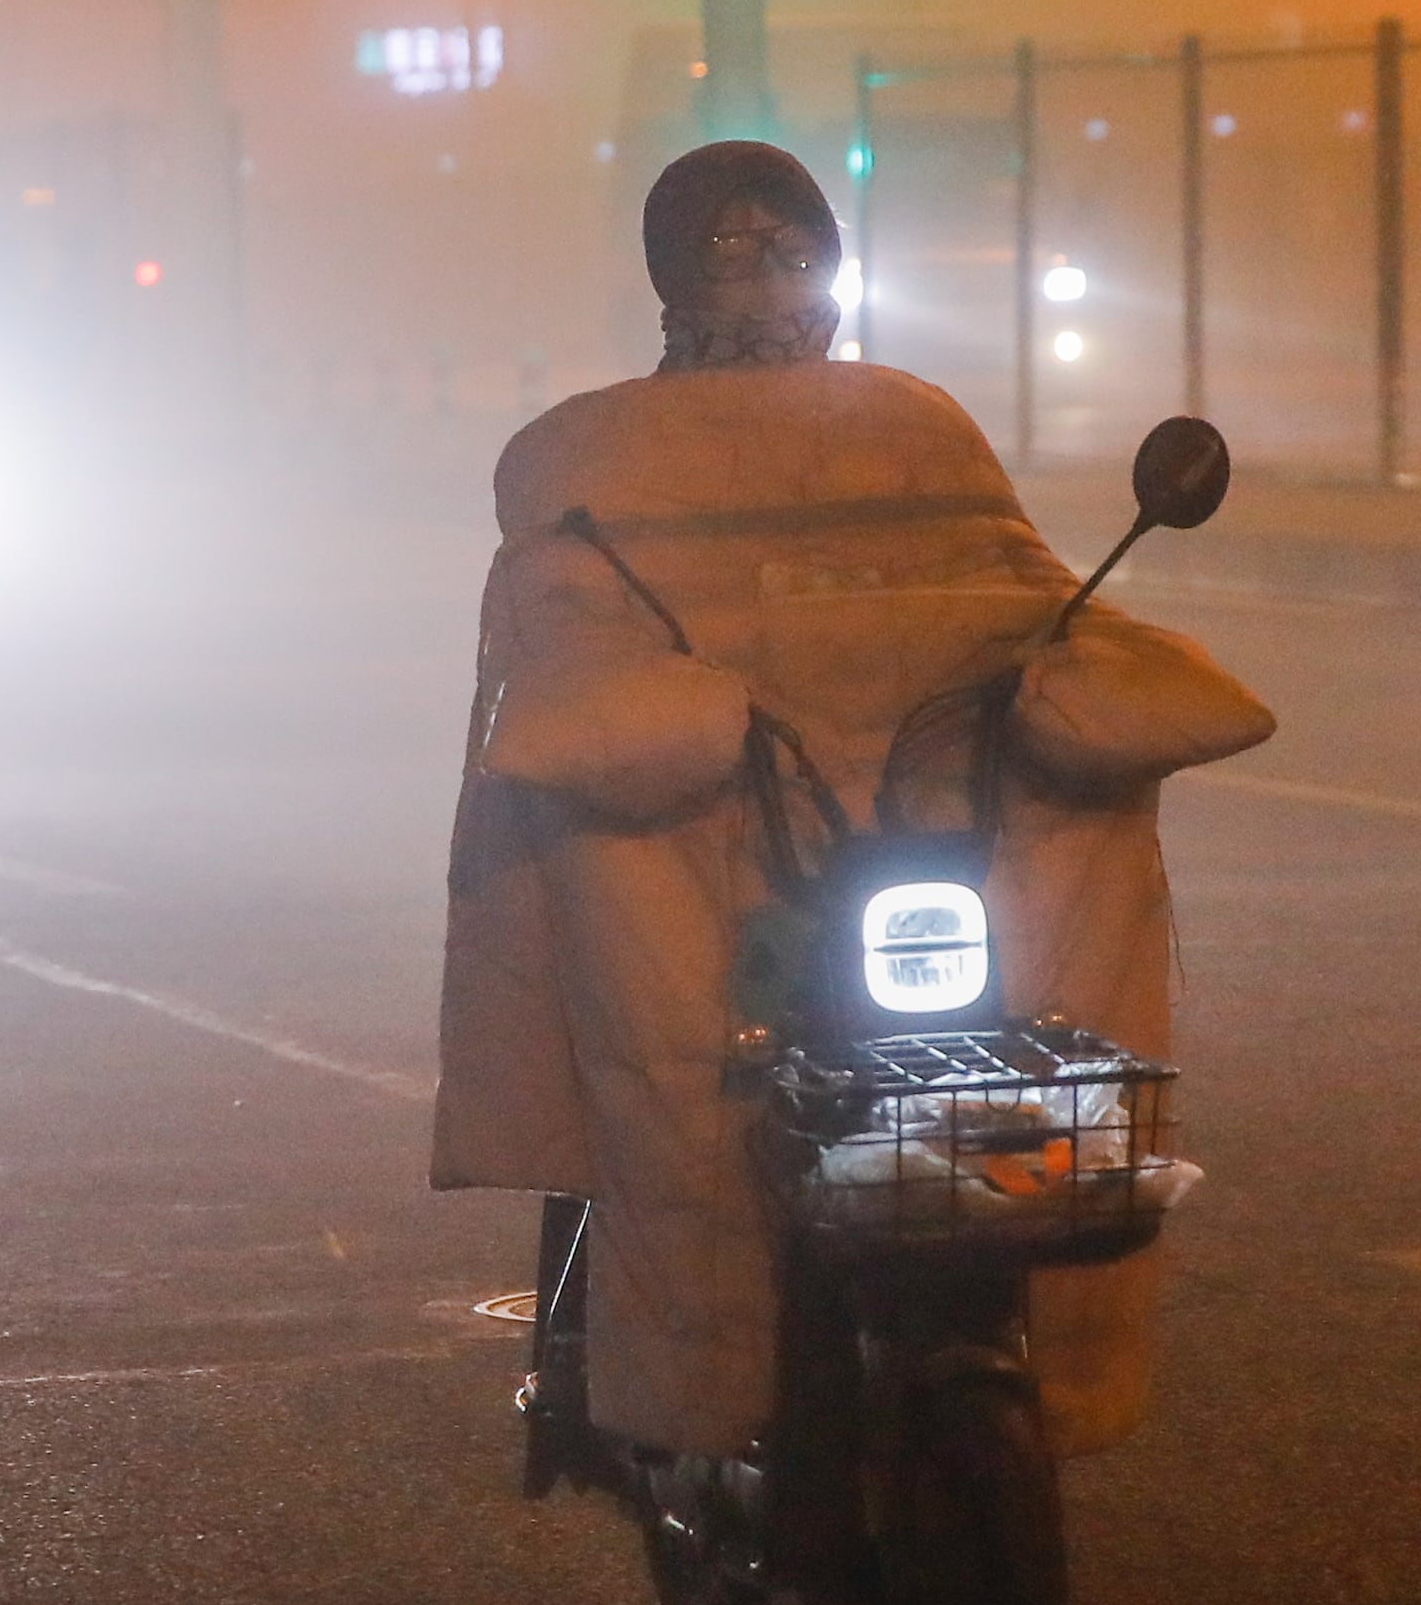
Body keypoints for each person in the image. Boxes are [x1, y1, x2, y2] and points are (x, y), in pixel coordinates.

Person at [432, 142, 1271, 1522]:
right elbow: (570, 641)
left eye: (786, 243)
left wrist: (1092, 668)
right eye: (724, 248)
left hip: (921, 858)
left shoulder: (914, 425)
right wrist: (653, 714)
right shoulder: (586, 458)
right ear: (666, 273)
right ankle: (682, 1405)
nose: (762, 271)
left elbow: (1017, 593)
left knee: (1042, 1078)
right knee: (680, 1094)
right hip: (727, 863)